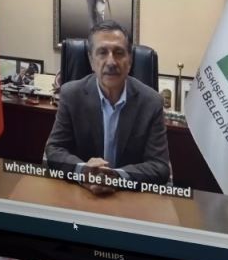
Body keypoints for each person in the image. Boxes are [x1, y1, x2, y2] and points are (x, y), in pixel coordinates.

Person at [45, 20, 170, 194]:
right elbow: (54, 150)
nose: (111, 62)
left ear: (130, 60)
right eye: (102, 52)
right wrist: (83, 171)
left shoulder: (151, 102)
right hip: (81, 194)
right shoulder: (71, 95)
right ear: (91, 60)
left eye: (119, 53)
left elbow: (160, 166)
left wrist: (117, 177)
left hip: (128, 198)